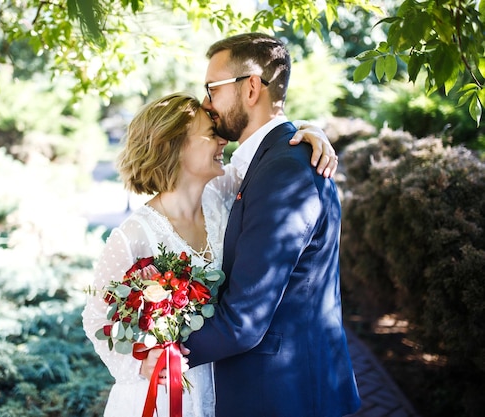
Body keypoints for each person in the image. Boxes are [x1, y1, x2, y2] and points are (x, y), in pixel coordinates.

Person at [81, 91, 338, 417]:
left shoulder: (223, 192)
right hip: (163, 393)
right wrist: (140, 364)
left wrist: (310, 132)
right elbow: (95, 318)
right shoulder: (131, 237)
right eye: (211, 133)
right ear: (174, 145)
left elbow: (269, 157)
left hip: (226, 381)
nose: (223, 141)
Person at [171, 33, 361, 417]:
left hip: (281, 396)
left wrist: (158, 346)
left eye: (211, 89)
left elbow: (244, 321)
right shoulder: (273, 159)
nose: (207, 104)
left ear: (252, 87)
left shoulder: (283, 173)